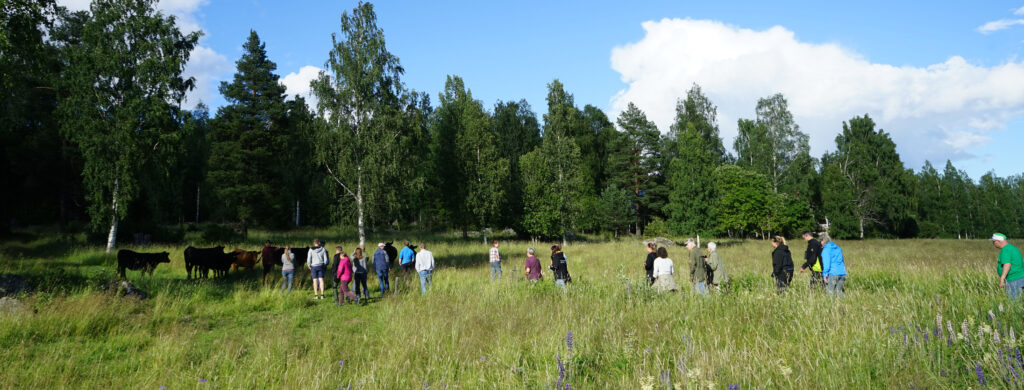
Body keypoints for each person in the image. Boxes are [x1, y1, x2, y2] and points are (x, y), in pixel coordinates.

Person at [992, 233, 1024, 300]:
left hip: (1013, 280)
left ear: (998, 241)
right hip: (1020, 277)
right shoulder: (1011, 247)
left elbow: (1007, 264)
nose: (993, 244)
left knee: (1015, 303)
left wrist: (1002, 278)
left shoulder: (1005, 250)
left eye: (993, 241)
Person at [819, 233, 847, 298]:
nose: (820, 243)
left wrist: (825, 275)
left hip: (833, 273)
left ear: (823, 240)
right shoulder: (838, 248)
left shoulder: (825, 250)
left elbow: (826, 264)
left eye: (820, 241)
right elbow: (842, 261)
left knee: (829, 292)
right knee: (838, 292)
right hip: (842, 273)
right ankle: (848, 303)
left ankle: (830, 307)